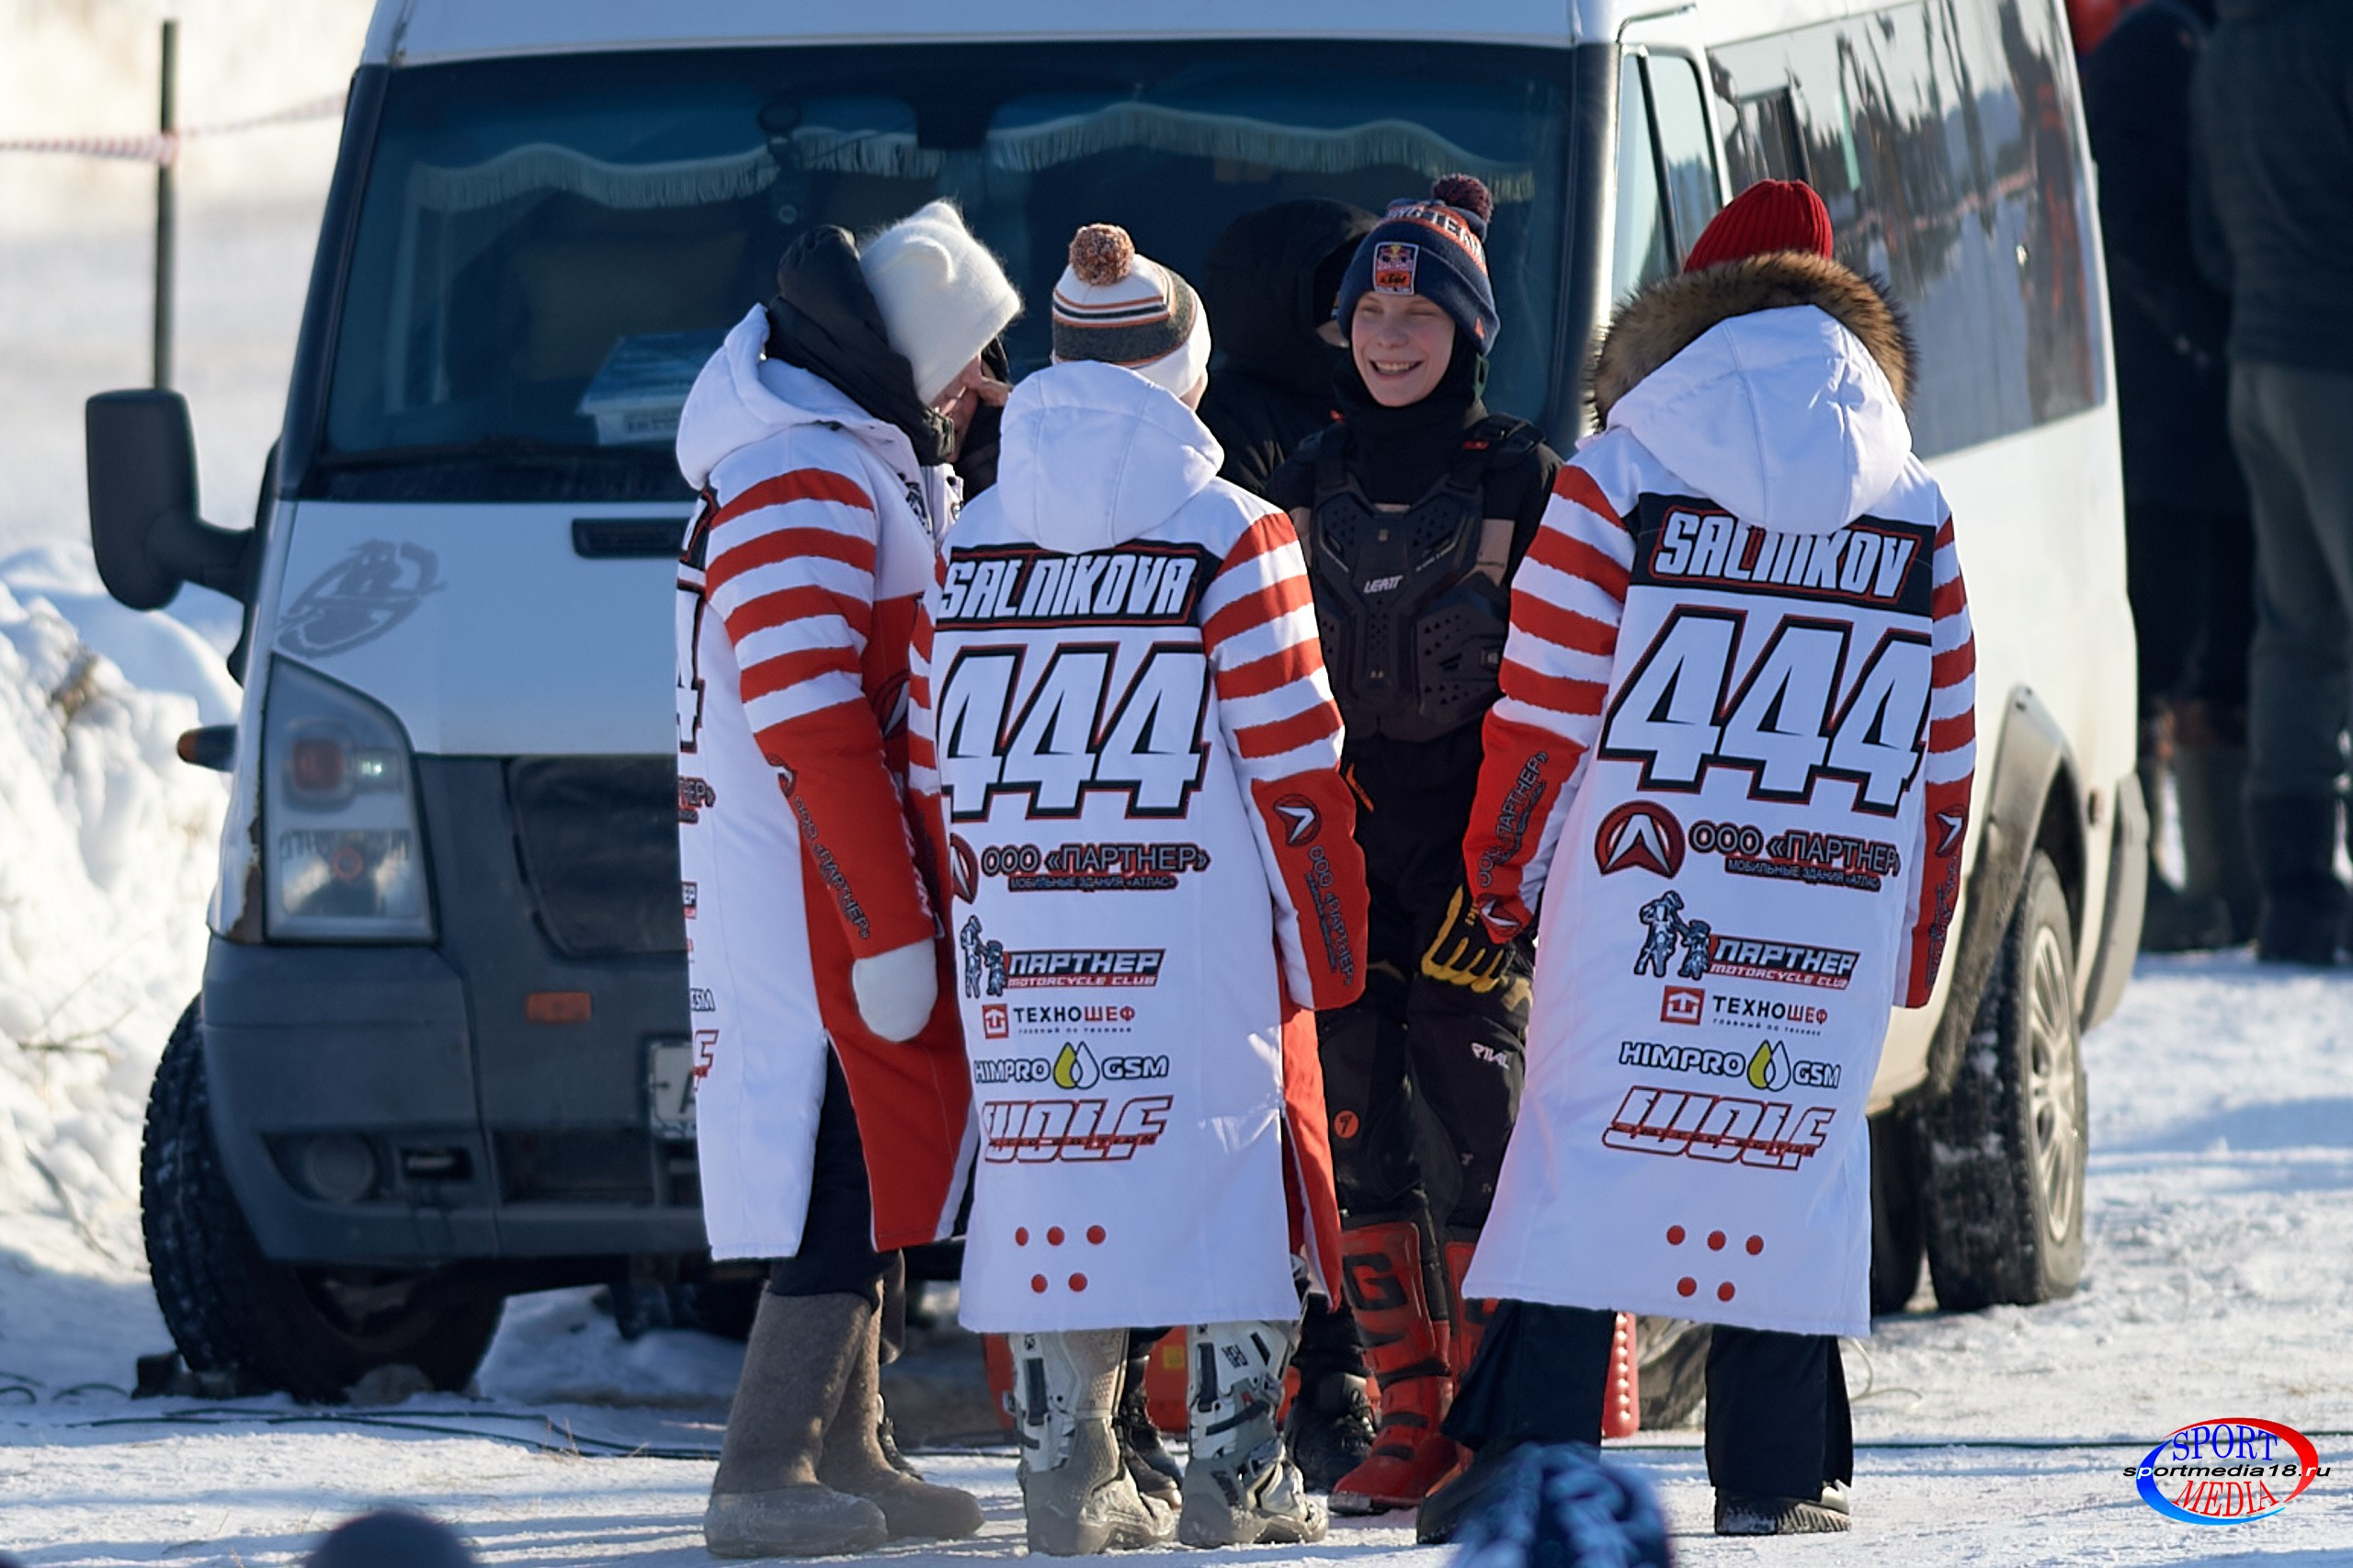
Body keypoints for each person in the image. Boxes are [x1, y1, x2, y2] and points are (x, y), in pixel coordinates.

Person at [1429, 179, 1976, 1539]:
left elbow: (1544, 709)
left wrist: (1505, 875)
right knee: (1781, 1160)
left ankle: (1534, 1455)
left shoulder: (1620, 477)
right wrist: (1916, 932)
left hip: (1641, 893)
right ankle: (1780, 1473)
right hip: (1824, 905)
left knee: (1586, 1165)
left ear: (1691, 308)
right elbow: (1942, 754)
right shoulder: (1914, 501)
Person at [910, 223, 1370, 1553]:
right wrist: (1326, 941)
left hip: (1029, 936)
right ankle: (1237, 1472)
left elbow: (942, 760)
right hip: (1200, 928)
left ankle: (1065, 1473)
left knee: (1059, 1174)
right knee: (1236, 1174)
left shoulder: (979, 536)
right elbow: (1299, 766)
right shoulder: (1236, 534)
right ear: (1185, 377)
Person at [674, 199, 1016, 1557]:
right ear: (920, 349)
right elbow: (812, 717)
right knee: (834, 1145)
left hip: (845, 870)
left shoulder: (851, 456)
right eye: (977, 352)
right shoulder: (802, 470)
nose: (990, 382)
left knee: (877, 1147)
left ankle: (848, 1443)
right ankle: (762, 1463)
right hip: (821, 882)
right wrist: (887, 916)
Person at [1261, 174, 1563, 1517]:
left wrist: (1521, 855)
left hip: (1475, 847)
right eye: (1371, 310)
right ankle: (1411, 1412)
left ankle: (1516, 1412)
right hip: (1347, 847)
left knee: (1482, 1112)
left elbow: (1569, 684)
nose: (1391, 334)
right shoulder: (1304, 474)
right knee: (1354, 1113)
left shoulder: (1524, 471)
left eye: (1419, 311)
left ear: (1469, 327)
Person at [1195, 193, 1382, 1492]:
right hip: (1273, 815)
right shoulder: (1239, 441)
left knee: (1337, 1116)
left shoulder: (1342, 419)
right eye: (1336, 295)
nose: (1353, 324)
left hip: (1350, 796)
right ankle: (1294, 1399)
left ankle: (1341, 1374)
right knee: (1278, 1116)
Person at [2083, 0, 2258, 951]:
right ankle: (2141, 884)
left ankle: (2214, 874)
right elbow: (2131, 226)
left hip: (2187, 403)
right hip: (2159, 412)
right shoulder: (2155, 49)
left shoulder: (2184, 42)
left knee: (2204, 646)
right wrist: (2203, 328)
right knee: (2153, 649)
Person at [2192, 0, 2353, 964]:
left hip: (2259, 361)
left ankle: (2293, 895)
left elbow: (2209, 241)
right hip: (2339, 359)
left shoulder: (2222, 51)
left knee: (2294, 632)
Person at [1198, 198, 1377, 494]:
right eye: (1344, 329)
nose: (1376, 344)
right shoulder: (1226, 422)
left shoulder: (1401, 407)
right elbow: (1234, 533)